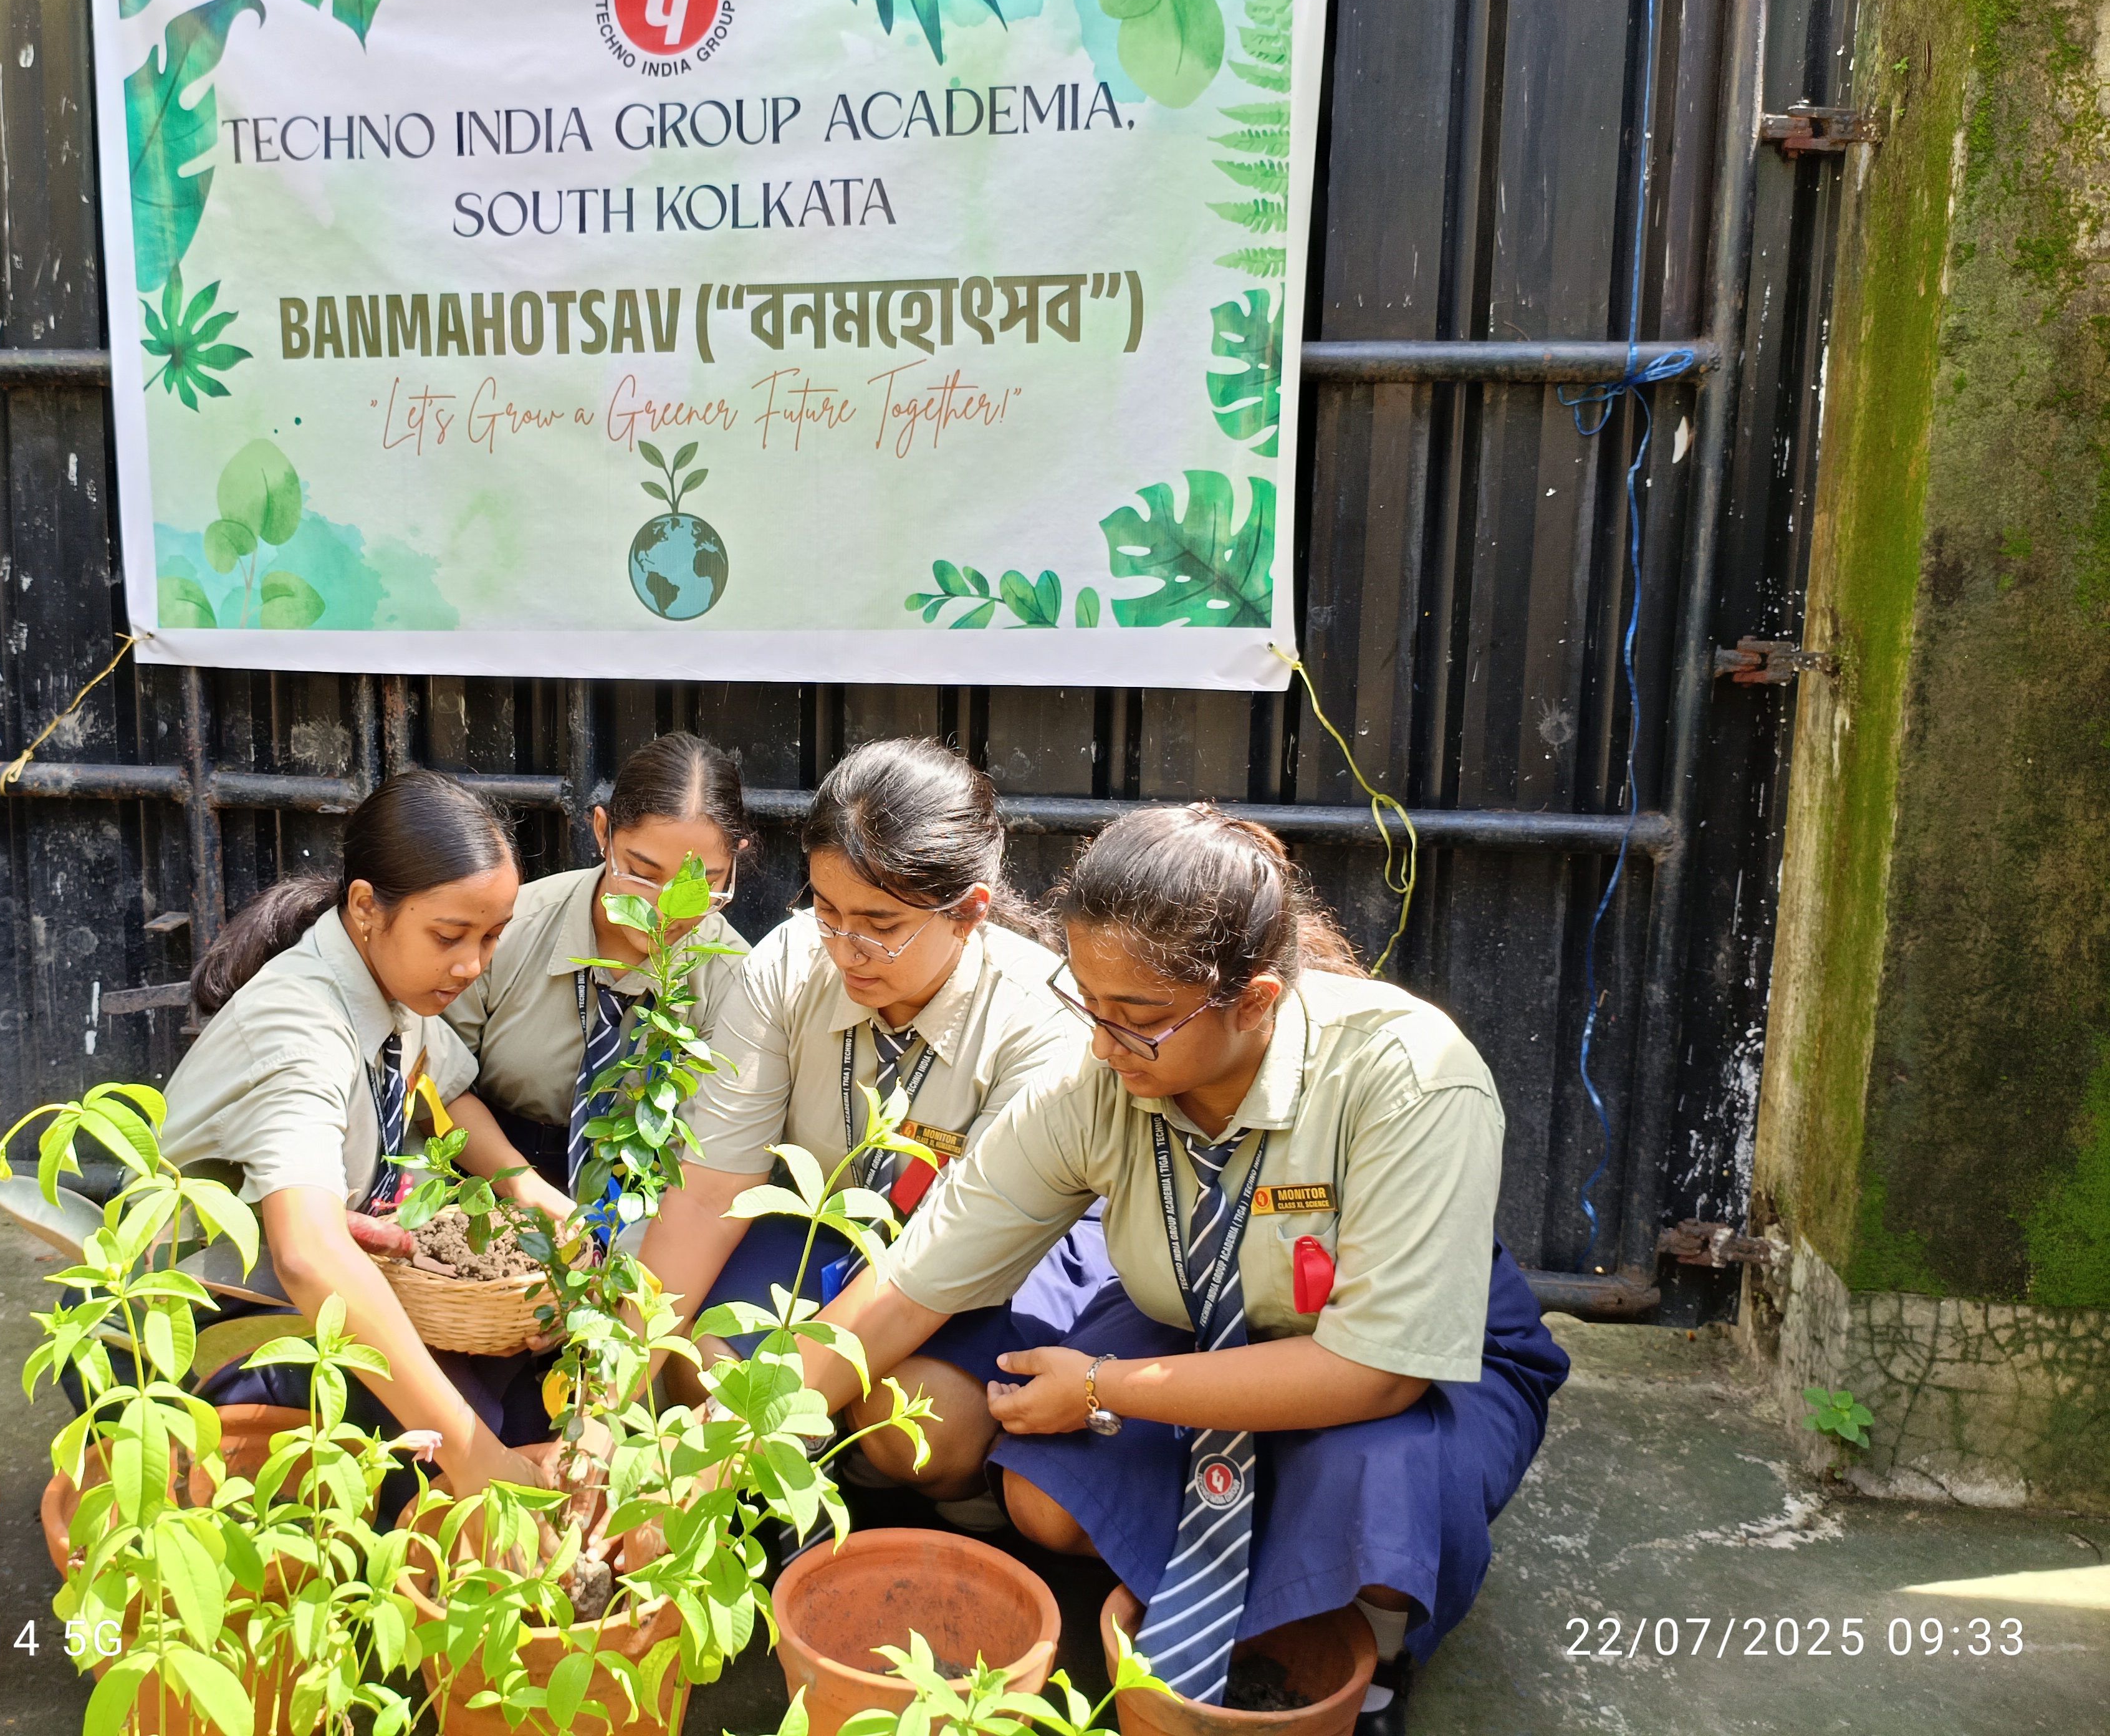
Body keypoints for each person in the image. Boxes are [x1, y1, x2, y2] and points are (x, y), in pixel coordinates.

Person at [803, 805, 1569, 1736]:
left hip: (1406, 1366)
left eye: (1140, 1019)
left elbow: (1378, 1372)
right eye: (1087, 1002)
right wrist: (732, 1437)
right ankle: (1259, 1546)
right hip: (1201, 1325)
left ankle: (1370, 1658)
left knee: (1378, 1489)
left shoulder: (1411, 1076)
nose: (1100, 1043)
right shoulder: (1101, 1083)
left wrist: (1101, 1386)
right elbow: (916, 1278)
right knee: (1044, 1503)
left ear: (1256, 1000)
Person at [634, 737, 1100, 1523]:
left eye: (881, 924)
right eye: (827, 911)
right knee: (703, 1363)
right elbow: (710, 1188)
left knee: (916, 1424)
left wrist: (745, 1437)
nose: (846, 950)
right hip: (828, 1228)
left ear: (970, 914)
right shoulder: (786, 965)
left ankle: (952, 1504)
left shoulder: (1040, 1023)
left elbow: (934, 1267)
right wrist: (610, 1401)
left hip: (977, 1271)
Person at [157, 767, 559, 1498]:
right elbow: (308, 1257)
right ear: (367, 906)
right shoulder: (299, 1030)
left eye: (493, 936)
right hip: (198, 1322)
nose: (472, 965)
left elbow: (449, 1086)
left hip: (309, 1277)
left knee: (527, 1376)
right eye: (450, 935)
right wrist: (479, 1464)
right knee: (441, 1449)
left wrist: (525, 1188)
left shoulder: (396, 979)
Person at [446, 732, 752, 1212]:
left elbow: (710, 1159)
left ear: (734, 859)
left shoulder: (735, 978)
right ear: (602, 830)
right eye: (643, 874)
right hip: (489, 1189)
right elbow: (437, 1081)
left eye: (701, 884)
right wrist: (525, 1191)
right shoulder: (506, 929)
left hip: (648, 1208)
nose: (665, 910)